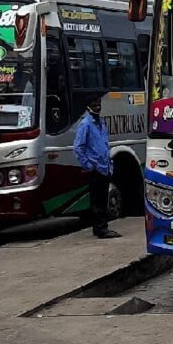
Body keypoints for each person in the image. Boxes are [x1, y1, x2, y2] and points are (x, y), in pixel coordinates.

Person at [73, 96, 120, 239]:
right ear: (88, 107)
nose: (98, 107)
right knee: (97, 201)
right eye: (94, 105)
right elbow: (78, 148)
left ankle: (99, 227)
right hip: (95, 169)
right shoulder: (85, 124)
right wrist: (89, 166)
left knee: (103, 199)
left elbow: (104, 144)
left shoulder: (102, 122)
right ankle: (101, 229)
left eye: (99, 105)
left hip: (105, 167)